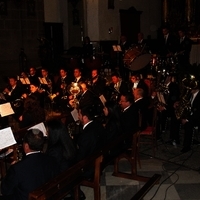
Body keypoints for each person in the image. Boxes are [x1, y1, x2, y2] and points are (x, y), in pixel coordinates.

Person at [1, 129, 59, 200]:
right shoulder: (51, 160)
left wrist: (10, 171)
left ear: (26, 146)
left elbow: (5, 190)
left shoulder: (17, 169)